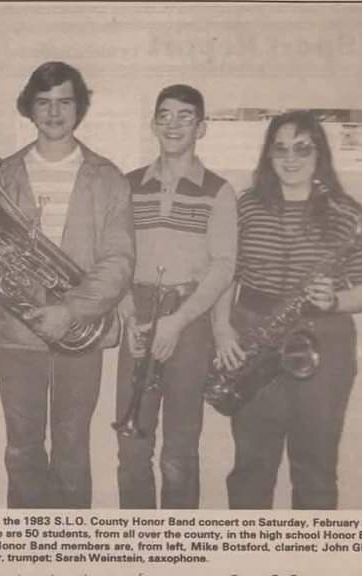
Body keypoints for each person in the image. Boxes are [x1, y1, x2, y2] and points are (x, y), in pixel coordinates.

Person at [213, 110, 362, 509]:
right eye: (281, 149)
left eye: (302, 148)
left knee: (316, 466)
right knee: (252, 465)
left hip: (325, 338)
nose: (291, 158)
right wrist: (223, 328)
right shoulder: (246, 207)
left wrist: (338, 299)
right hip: (255, 331)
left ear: (319, 154)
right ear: (268, 156)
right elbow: (224, 274)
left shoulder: (348, 212)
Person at [0, 61, 135, 508]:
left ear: (80, 107)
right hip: (18, 333)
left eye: (65, 102)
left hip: (81, 331)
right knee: (21, 450)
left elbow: (118, 260)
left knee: (72, 450)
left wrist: (69, 310)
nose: (54, 112)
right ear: (30, 108)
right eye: (44, 102)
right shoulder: (3, 175)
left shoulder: (107, 177)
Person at [115, 85, 237, 509]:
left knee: (179, 456)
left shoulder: (219, 191)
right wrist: (129, 315)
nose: (173, 124)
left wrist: (179, 320)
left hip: (189, 319)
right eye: (164, 115)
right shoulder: (127, 186)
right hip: (140, 315)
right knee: (131, 452)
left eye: (185, 116)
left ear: (201, 128)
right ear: (152, 124)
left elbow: (224, 266)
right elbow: (116, 261)